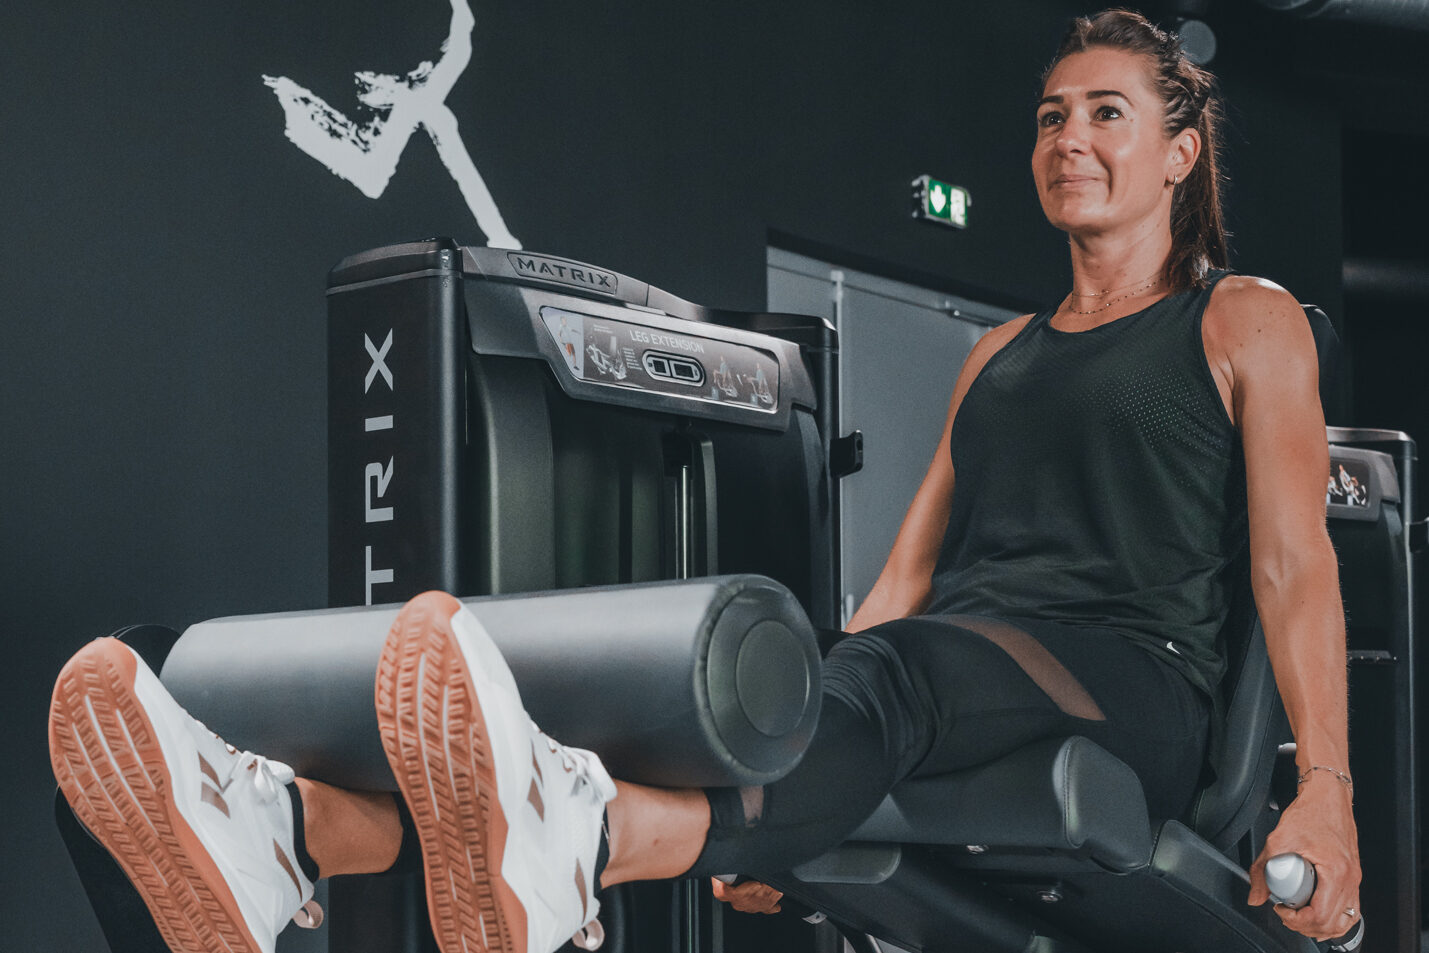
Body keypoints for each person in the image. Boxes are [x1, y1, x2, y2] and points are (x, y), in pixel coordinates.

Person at [48, 9, 1360, 953]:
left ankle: (567, 845)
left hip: (1129, 679)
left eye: (1106, 114)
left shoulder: (1241, 320)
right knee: (784, 678)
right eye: (1050, 117)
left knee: (888, 673)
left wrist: (1326, 791)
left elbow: (1290, 566)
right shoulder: (999, 355)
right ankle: (279, 829)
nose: (1068, 138)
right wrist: (787, 779)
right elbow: (901, 580)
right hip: (961, 667)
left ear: (1178, 153)